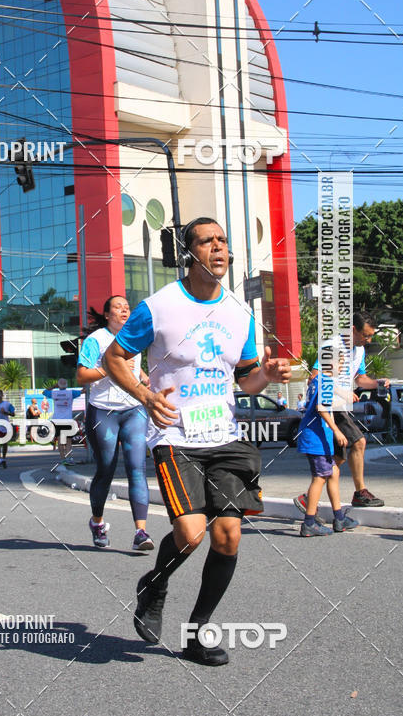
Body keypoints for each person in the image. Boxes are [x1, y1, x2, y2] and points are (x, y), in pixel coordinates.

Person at [104, 217, 291, 667]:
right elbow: (114, 357)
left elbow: (245, 379)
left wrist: (266, 374)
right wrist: (146, 395)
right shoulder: (158, 307)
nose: (219, 248)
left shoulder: (238, 312)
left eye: (224, 240)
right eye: (208, 242)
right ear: (190, 254)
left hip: (224, 436)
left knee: (227, 536)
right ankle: (154, 585)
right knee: (190, 535)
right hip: (174, 434)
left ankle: (196, 632)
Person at [77, 295, 153, 552]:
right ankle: (97, 523)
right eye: (118, 308)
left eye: (127, 307)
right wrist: (110, 368)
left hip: (133, 410)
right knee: (106, 470)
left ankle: (140, 532)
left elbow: (135, 368)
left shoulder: (135, 337)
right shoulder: (96, 340)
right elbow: (82, 376)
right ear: (107, 315)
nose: (124, 311)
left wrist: (143, 377)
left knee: (137, 469)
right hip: (103, 412)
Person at [294, 310, 388, 515]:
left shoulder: (359, 350)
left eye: (371, 335)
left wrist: (377, 383)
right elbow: (316, 377)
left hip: (341, 406)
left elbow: (360, 379)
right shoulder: (332, 346)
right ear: (353, 330)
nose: (368, 339)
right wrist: (341, 392)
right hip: (330, 406)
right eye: (366, 335)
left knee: (338, 459)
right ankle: (359, 493)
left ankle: (310, 498)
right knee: (358, 442)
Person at [297, 343, 359, 537]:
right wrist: (338, 432)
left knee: (333, 473)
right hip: (316, 437)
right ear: (330, 363)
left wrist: (346, 398)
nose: (341, 368)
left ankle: (339, 518)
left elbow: (327, 401)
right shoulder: (325, 382)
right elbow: (322, 408)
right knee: (320, 477)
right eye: (340, 364)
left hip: (317, 436)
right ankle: (309, 522)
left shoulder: (319, 380)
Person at [43, 378, 82, 461]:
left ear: (58, 385)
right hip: (68, 420)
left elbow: (44, 392)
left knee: (60, 441)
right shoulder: (71, 393)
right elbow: (84, 391)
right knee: (68, 441)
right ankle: (68, 458)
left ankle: (62, 459)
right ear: (66, 385)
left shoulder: (54, 393)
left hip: (57, 421)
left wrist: (54, 386)